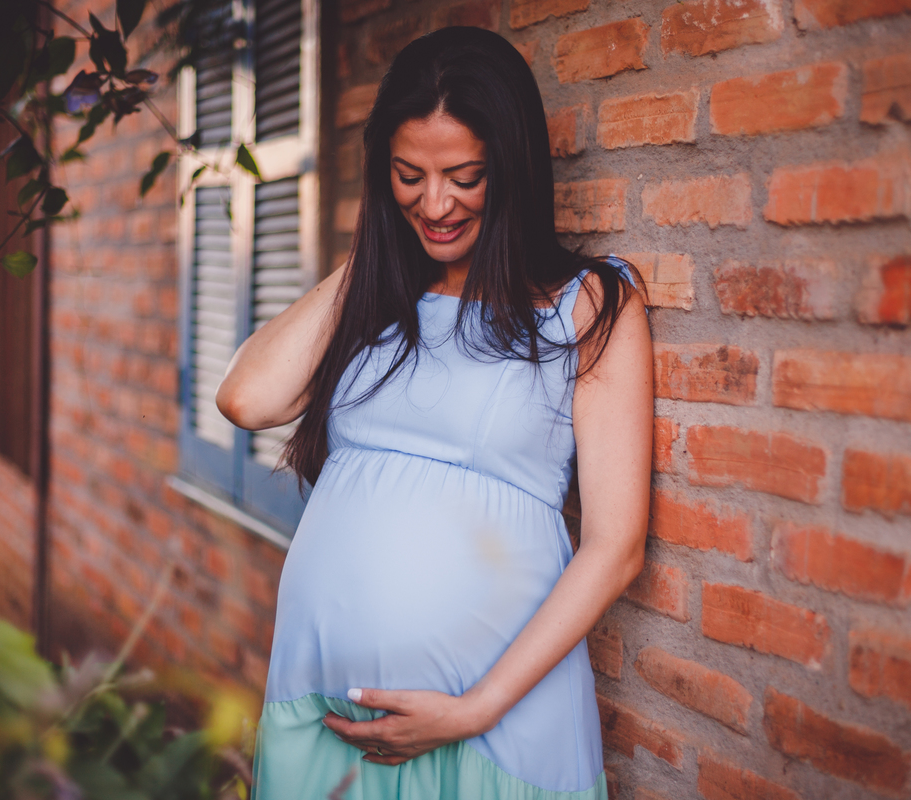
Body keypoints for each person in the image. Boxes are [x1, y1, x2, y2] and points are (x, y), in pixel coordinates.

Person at [216, 26, 653, 800]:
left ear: (513, 173)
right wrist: (380, 252)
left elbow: (614, 548)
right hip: (328, 725)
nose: (436, 203)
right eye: (408, 175)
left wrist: (471, 710)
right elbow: (247, 398)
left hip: (493, 729)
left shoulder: (588, 305)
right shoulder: (378, 300)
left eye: (465, 176)